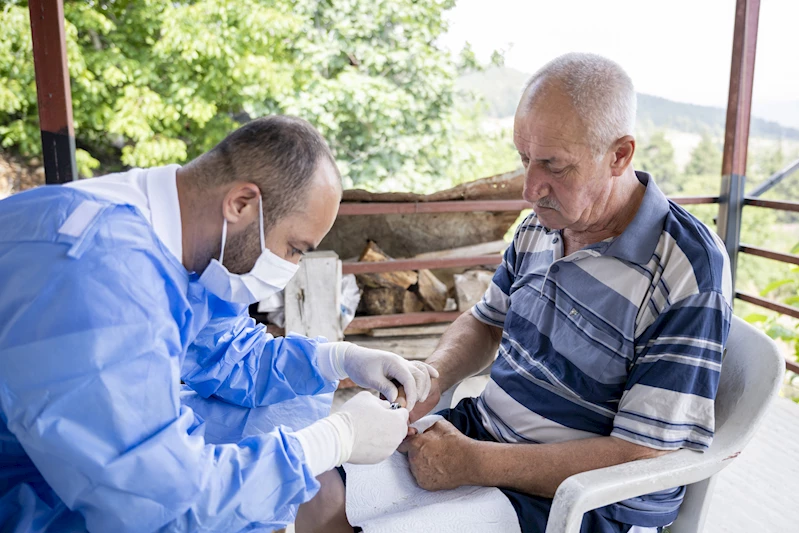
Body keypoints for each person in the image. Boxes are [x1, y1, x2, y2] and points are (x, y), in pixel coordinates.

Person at [306, 53, 733, 533]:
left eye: (555, 166)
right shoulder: (540, 227)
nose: (530, 189)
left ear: (619, 155)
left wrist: (474, 465)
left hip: (584, 502)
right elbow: (487, 321)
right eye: (524, 159)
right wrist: (432, 375)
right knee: (315, 492)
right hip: (483, 435)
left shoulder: (686, 268)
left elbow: (641, 453)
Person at [0, 116, 437, 532]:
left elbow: (227, 354)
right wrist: (335, 439)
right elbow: (159, 504)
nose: (292, 265)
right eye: (294, 248)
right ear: (241, 204)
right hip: (30, 494)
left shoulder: (179, 238)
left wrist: (338, 359)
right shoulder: (99, 277)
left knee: (268, 414)